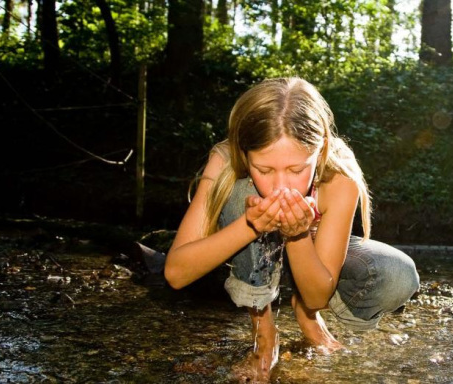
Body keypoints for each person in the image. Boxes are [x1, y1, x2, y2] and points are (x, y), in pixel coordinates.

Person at [164, 77, 420, 382]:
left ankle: (304, 316)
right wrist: (251, 226)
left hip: (308, 255)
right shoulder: (224, 160)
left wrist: (297, 235)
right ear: (244, 153)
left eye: (297, 170)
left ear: (320, 150)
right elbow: (176, 273)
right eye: (265, 169)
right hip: (247, 254)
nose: (281, 186)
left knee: (398, 274)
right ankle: (264, 332)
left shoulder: (339, 177)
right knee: (239, 191)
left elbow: (318, 295)